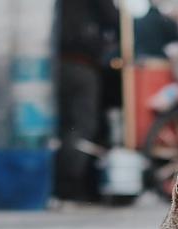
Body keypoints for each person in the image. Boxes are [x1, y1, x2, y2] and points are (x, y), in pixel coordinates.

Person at [56, 0, 118, 202]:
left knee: (65, 126)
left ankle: (61, 185)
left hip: (56, 63)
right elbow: (114, 20)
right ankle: (71, 187)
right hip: (82, 62)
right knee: (83, 128)